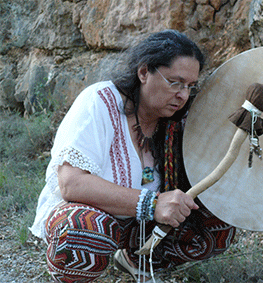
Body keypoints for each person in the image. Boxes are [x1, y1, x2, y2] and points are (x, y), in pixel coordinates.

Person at [30, 29, 236, 283]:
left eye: (190, 87)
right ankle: (74, 275)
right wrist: (152, 204)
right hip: (90, 214)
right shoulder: (100, 101)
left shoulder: (177, 122)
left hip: (140, 225)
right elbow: (71, 183)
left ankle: (136, 259)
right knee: (84, 231)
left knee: (217, 224)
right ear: (143, 72)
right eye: (175, 82)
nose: (183, 95)